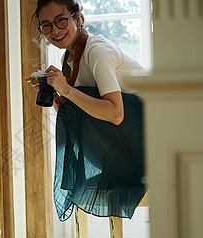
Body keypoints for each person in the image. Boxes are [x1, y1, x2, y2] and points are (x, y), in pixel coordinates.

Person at [26, 0, 147, 221]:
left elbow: (116, 114)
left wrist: (67, 90)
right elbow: (73, 115)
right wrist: (55, 94)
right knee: (81, 108)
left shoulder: (97, 52)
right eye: (46, 26)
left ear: (78, 19)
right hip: (130, 142)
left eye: (61, 20)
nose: (55, 31)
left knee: (89, 102)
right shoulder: (68, 59)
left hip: (154, 134)